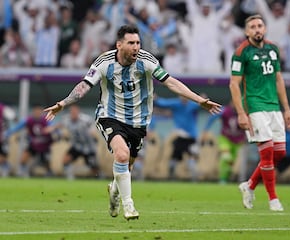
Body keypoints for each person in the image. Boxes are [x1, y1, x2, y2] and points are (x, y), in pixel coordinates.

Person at [44, 25, 221, 221]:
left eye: (138, 43)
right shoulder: (104, 62)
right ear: (119, 45)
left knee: (126, 166)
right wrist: (63, 103)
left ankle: (115, 190)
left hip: (138, 122)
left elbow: (170, 82)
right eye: (131, 43)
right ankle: (129, 205)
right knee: (121, 154)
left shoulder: (146, 61)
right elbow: (84, 86)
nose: (136, 47)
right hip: (109, 115)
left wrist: (198, 100)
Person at [229, 14, 290, 211]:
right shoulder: (241, 52)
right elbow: (234, 83)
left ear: (264, 29)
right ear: (247, 31)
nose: (257, 29)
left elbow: (279, 79)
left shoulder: (273, 49)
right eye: (253, 27)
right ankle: (273, 199)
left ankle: (249, 186)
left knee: (279, 153)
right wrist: (241, 113)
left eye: (260, 26)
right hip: (255, 106)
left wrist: (287, 109)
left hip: (274, 106)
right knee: (266, 154)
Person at [154, 95, 202, 180]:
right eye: (182, 96)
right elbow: (163, 103)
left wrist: (203, 100)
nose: (184, 98)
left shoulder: (192, 105)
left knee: (193, 155)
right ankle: (172, 172)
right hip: (180, 135)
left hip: (191, 136)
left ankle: (194, 175)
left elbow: (201, 104)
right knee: (175, 154)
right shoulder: (176, 103)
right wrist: (156, 99)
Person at [202, 100, 247, 184]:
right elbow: (212, 118)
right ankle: (222, 179)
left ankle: (226, 176)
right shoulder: (224, 110)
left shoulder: (244, 112)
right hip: (225, 138)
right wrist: (206, 130)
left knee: (231, 162)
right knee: (226, 156)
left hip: (238, 140)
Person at [51, 104, 101, 180]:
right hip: (76, 146)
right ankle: (70, 177)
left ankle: (99, 177)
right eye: (72, 112)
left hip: (88, 147)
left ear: (78, 112)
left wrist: (93, 134)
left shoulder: (85, 120)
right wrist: (51, 129)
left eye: (75, 112)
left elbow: (93, 129)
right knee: (66, 160)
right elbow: (60, 125)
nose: (73, 114)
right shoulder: (67, 120)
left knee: (93, 167)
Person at [5, 105, 56, 177]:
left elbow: (54, 127)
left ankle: (49, 173)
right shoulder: (28, 120)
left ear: (41, 112)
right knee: (23, 158)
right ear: (33, 112)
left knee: (46, 162)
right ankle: (23, 173)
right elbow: (17, 127)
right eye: (36, 111)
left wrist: (53, 129)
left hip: (45, 145)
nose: (37, 113)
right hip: (34, 144)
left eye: (39, 111)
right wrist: (8, 133)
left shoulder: (46, 119)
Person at [0, 102, 16, 177]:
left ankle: (5, 168)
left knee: (4, 154)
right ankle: (6, 167)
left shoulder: (2, 108)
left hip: (3, 136)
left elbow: (14, 117)